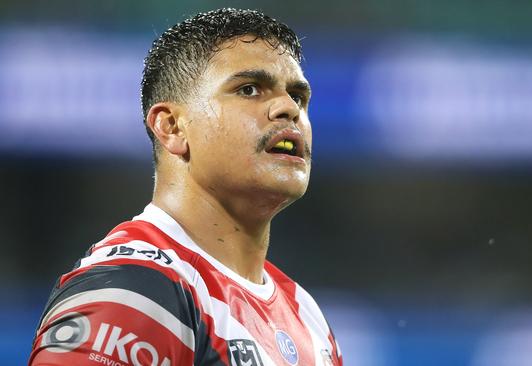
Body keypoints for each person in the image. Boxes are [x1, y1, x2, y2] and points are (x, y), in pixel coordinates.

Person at [29, 8, 342, 366]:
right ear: (172, 127)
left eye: (298, 97)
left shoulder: (307, 317)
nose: (288, 108)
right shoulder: (135, 290)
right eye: (249, 89)